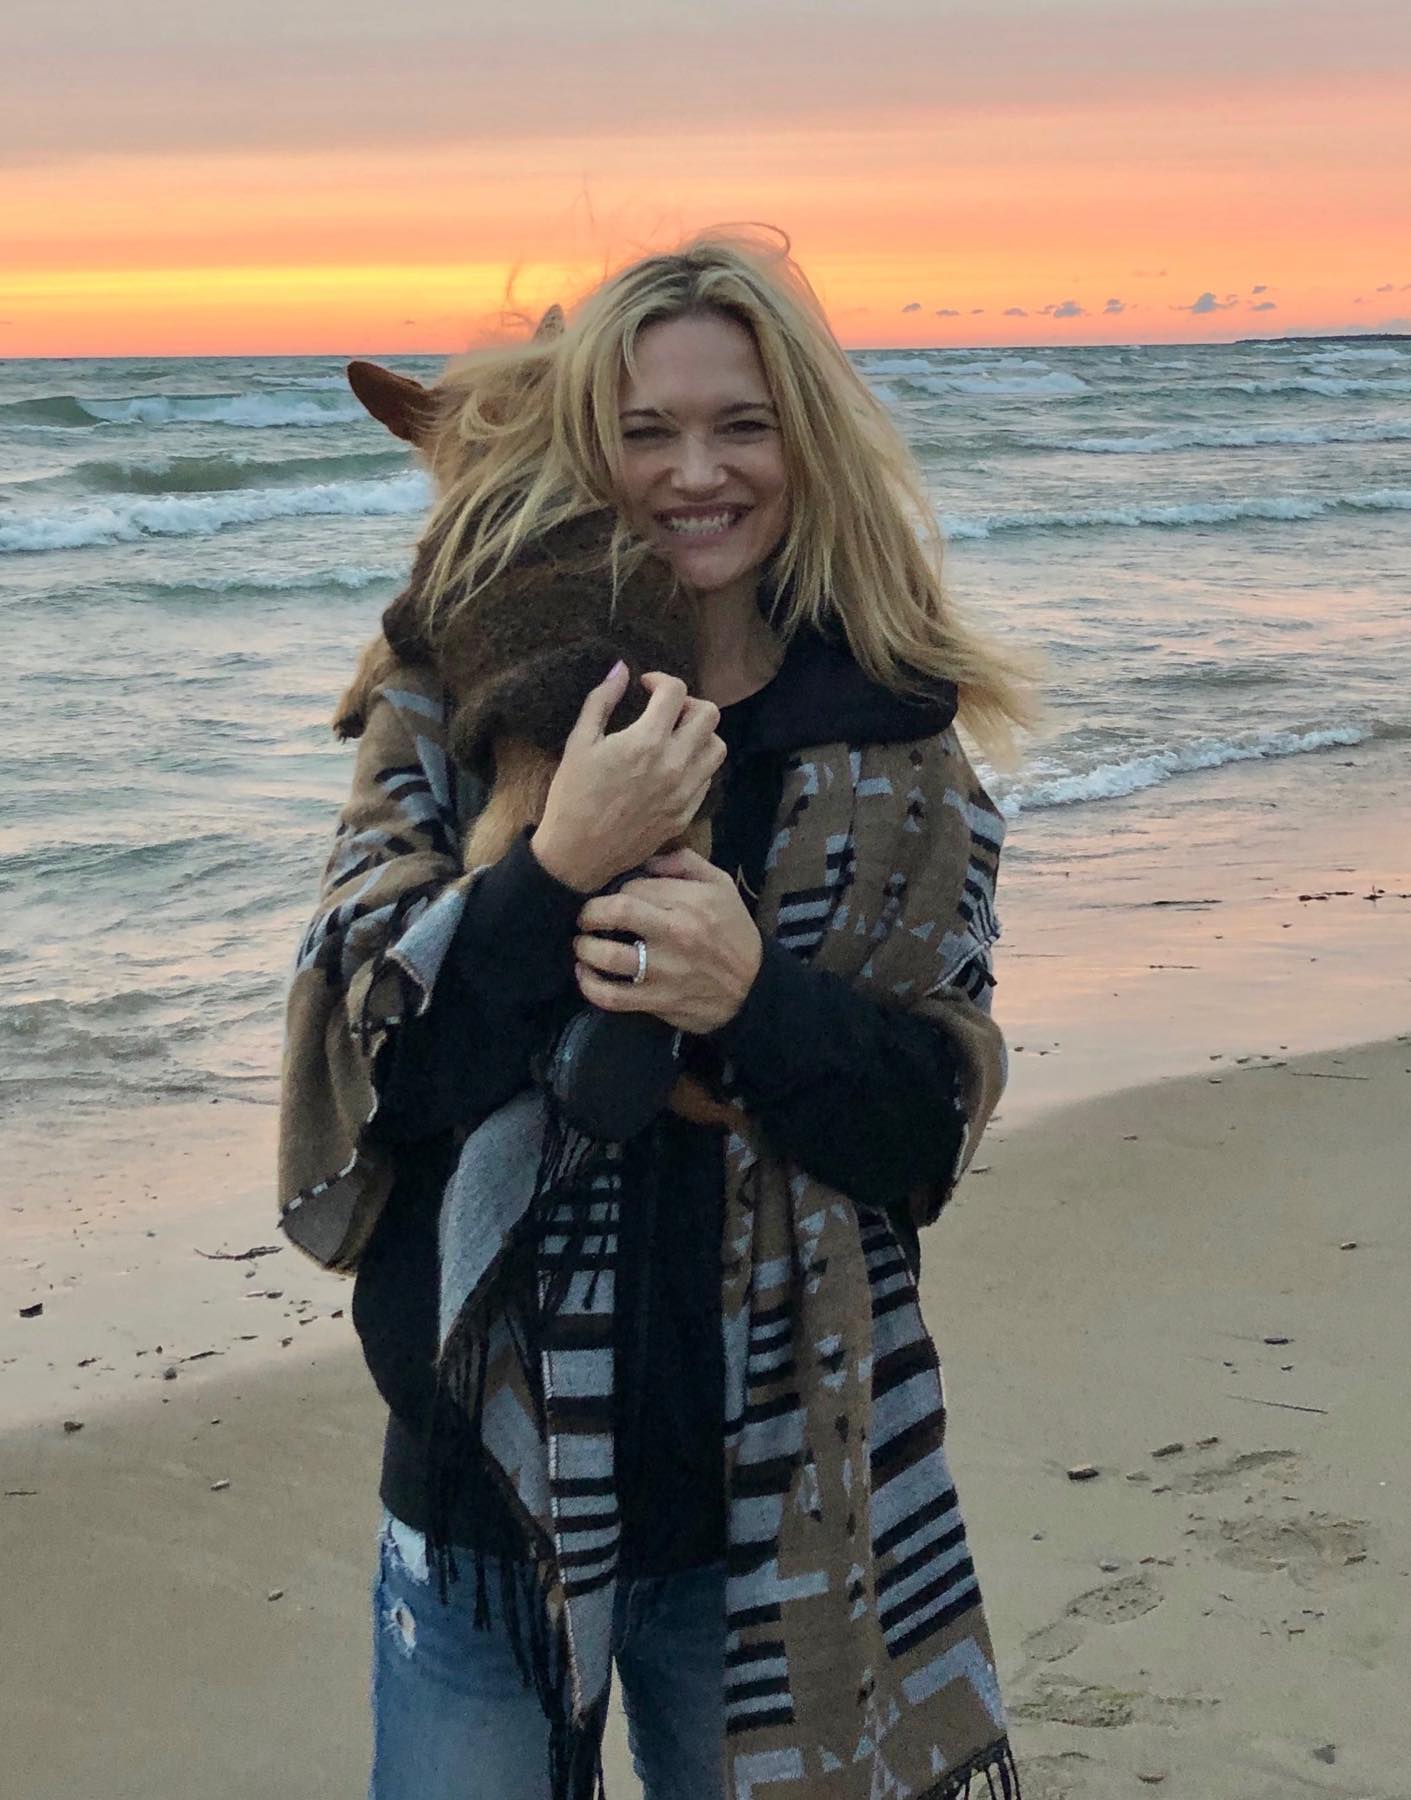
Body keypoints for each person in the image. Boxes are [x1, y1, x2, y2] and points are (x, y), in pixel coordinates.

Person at [278, 228, 1032, 1800]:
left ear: (803, 444)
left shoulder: (889, 738)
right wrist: (554, 869)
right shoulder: (447, 697)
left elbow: (921, 1132)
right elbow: (371, 1078)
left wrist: (751, 1000)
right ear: (581, 447)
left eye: (742, 425)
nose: (696, 474)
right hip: (488, 1489)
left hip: (776, 1491)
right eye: (646, 430)